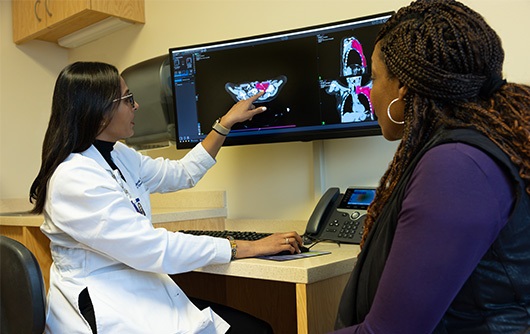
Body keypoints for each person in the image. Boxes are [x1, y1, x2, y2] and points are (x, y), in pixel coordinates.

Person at [29, 61, 304, 333]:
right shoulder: (74, 178)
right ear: (99, 110)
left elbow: (180, 173)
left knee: (255, 328)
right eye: (128, 99)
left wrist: (224, 124)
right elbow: (153, 249)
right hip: (106, 306)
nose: (136, 106)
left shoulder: (117, 155)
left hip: (138, 291)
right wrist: (244, 247)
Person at [333, 0, 530, 333]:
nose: (367, 90)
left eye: (374, 77)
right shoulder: (470, 150)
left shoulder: (456, 167)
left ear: (402, 88)